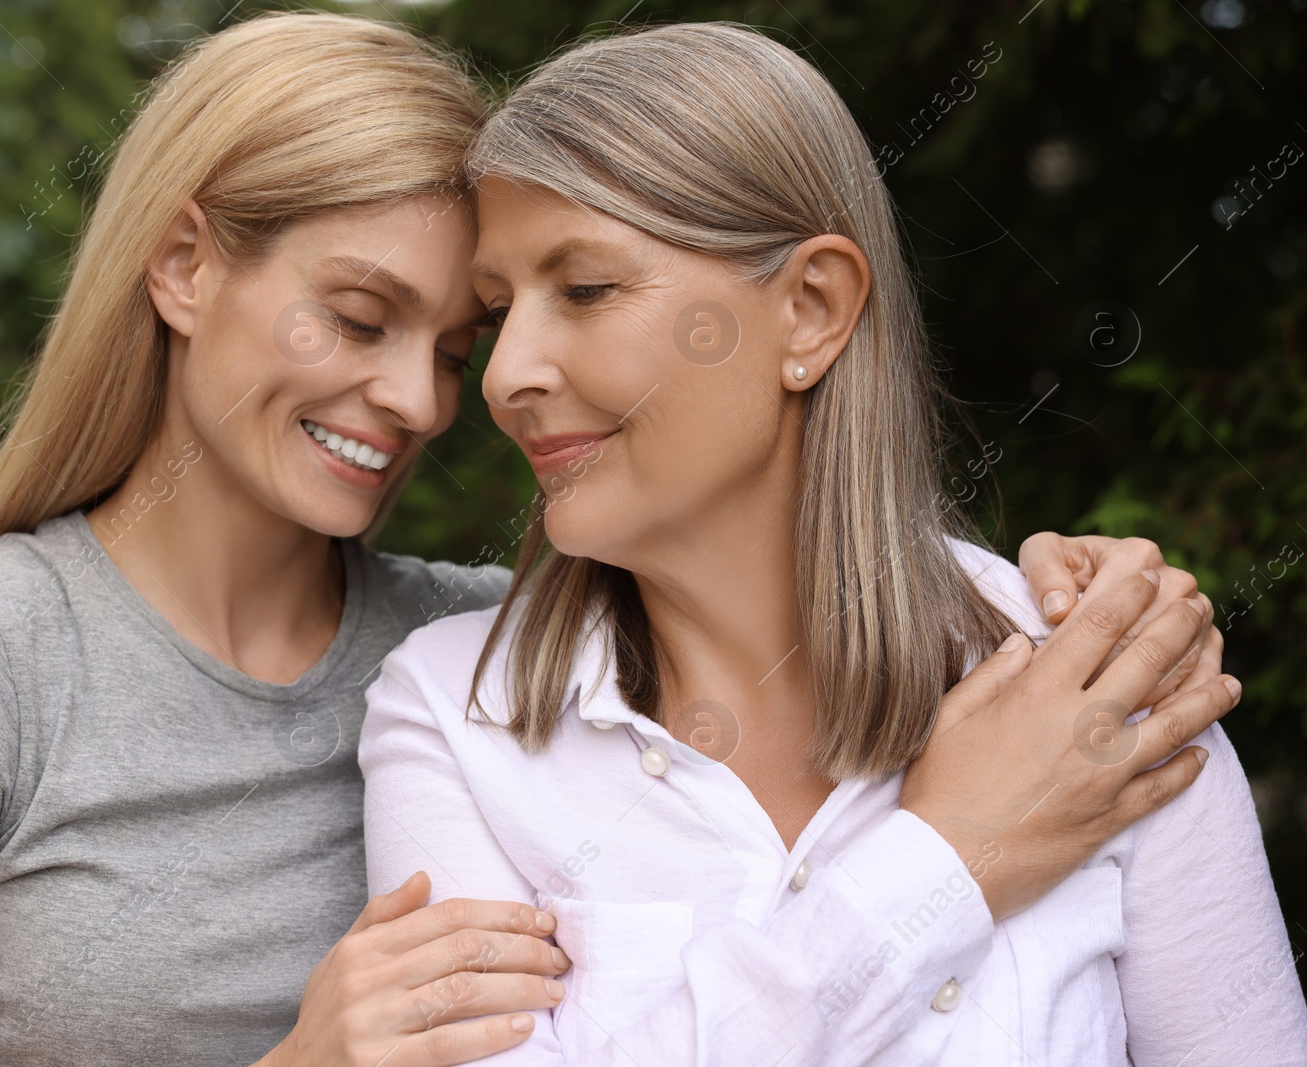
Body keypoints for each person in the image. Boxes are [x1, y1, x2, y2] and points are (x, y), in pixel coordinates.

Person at [0, 12, 1226, 1067]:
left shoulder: (478, 662)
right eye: (356, 314)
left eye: (456, 339)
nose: (420, 398)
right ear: (186, 263)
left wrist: (1072, 587)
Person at [359, 21, 1306, 1067]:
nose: (504, 378)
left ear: (810, 311)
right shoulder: (454, 718)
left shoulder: (1100, 674)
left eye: (584, 289)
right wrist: (944, 859)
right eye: (497, 316)